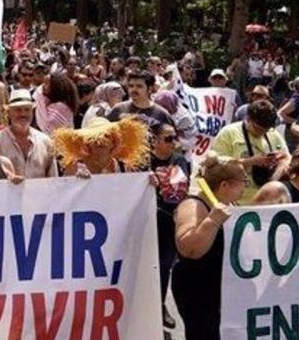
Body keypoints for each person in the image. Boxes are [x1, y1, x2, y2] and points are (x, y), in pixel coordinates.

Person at [172, 156, 247, 340]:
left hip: (220, 286)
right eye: (243, 182)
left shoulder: (226, 205)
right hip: (198, 287)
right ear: (224, 185)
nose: (245, 187)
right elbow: (188, 248)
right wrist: (212, 222)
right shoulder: (193, 205)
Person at [150, 123, 191, 330]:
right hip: (145, 222)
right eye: (168, 139)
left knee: (165, 265)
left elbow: (178, 189)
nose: (173, 142)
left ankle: (160, 304)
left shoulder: (180, 160)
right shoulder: (141, 161)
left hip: (168, 222)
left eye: (175, 137)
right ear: (154, 140)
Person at [208, 99, 289, 186]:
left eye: (266, 130)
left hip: (267, 195)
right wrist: (249, 162)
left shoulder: (273, 134)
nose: (262, 133)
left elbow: (288, 160)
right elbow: (215, 167)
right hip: (237, 196)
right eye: (258, 129)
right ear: (248, 119)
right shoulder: (229, 133)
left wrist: (278, 166)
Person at [54, 117, 150, 176]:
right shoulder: (75, 166)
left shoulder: (123, 166)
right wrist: (77, 183)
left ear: (114, 141)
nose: (101, 141)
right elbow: (65, 194)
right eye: (94, 137)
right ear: (86, 143)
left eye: (107, 136)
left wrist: (149, 182)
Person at [0, 89, 58, 179]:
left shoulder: (45, 141)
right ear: (8, 113)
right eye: (18, 110)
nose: (23, 114)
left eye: (27, 109)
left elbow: (53, 177)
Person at [106, 73, 175, 132]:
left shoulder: (162, 114)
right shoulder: (119, 109)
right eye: (131, 86)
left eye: (139, 86)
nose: (133, 89)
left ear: (150, 89)